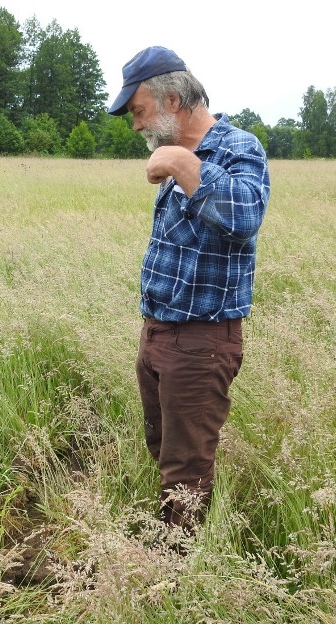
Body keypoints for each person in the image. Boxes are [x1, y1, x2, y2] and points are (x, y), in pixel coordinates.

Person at [108, 46, 270, 533]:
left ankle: (176, 576)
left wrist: (182, 162)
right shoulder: (181, 154)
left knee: (186, 469)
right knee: (162, 447)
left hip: (201, 340)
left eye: (138, 111)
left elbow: (244, 219)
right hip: (158, 332)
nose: (135, 126)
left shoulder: (236, 147)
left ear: (173, 98)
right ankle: (166, 541)